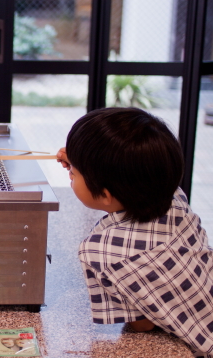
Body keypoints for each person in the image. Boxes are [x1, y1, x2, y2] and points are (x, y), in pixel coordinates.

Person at [56, 107, 213, 358]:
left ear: (106, 195)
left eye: (73, 173)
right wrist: (82, 162)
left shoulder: (102, 252)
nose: (70, 175)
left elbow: (143, 324)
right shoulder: (172, 195)